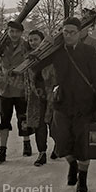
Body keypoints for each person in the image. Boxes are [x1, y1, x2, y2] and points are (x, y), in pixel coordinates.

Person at [30, 17, 96, 192]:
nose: (69, 35)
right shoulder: (57, 52)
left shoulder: (88, 51)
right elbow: (36, 68)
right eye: (65, 32)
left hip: (85, 105)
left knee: (83, 144)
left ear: (79, 33)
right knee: (61, 139)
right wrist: (40, 87)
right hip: (62, 103)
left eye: (72, 32)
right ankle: (72, 164)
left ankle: (82, 179)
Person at [0, 21, 33, 163]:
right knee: (4, 120)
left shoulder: (26, 46)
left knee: (23, 118)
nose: (14, 34)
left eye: (16, 32)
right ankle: (2, 149)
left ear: (21, 33)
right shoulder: (2, 46)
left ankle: (26, 142)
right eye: (11, 31)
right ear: (8, 32)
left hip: (21, 87)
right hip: (5, 88)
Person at [26, 29, 58, 166]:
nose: (33, 43)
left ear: (42, 40)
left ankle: (58, 146)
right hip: (36, 95)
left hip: (51, 94)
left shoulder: (51, 56)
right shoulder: (28, 59)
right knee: (39, 125)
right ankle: (42, 152)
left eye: (36, 39)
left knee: (54, 123)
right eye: (30, 40)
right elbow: (27, 79)